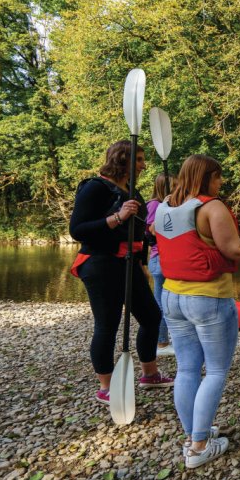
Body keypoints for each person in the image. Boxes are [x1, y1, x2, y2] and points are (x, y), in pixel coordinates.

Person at [154, 154, 240, 469]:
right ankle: (199, 447)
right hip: (207, 297)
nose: (220, 182)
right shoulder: (212, 208)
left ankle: (193, 435)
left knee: (187, 369)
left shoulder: (163, 207)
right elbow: (235, 250)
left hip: (171, 296)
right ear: (205, 177)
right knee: (214, 370)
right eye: (218, 176)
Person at [69, 140, 174, 405]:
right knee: (108, 324)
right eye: (138, 159)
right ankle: (106, 386)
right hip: (100, 263)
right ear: (121, 160)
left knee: (151, 316)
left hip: (128, 264)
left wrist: (141, 260)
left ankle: (149, 374)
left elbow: (138, 231)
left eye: (142, 159)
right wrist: (117, 217)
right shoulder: (94, 187)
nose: (143, 164)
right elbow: (78, 230)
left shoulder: (131, 190)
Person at [145, 174, 174, 358]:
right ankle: (162, 343)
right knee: (161, 304)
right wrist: (166, 207)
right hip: (159, 259)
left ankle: (164, 341)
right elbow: (151, 230)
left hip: (165, 259)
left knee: (167, 302)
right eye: (175, 186)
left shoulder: (166, 205)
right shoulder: (155, 205)